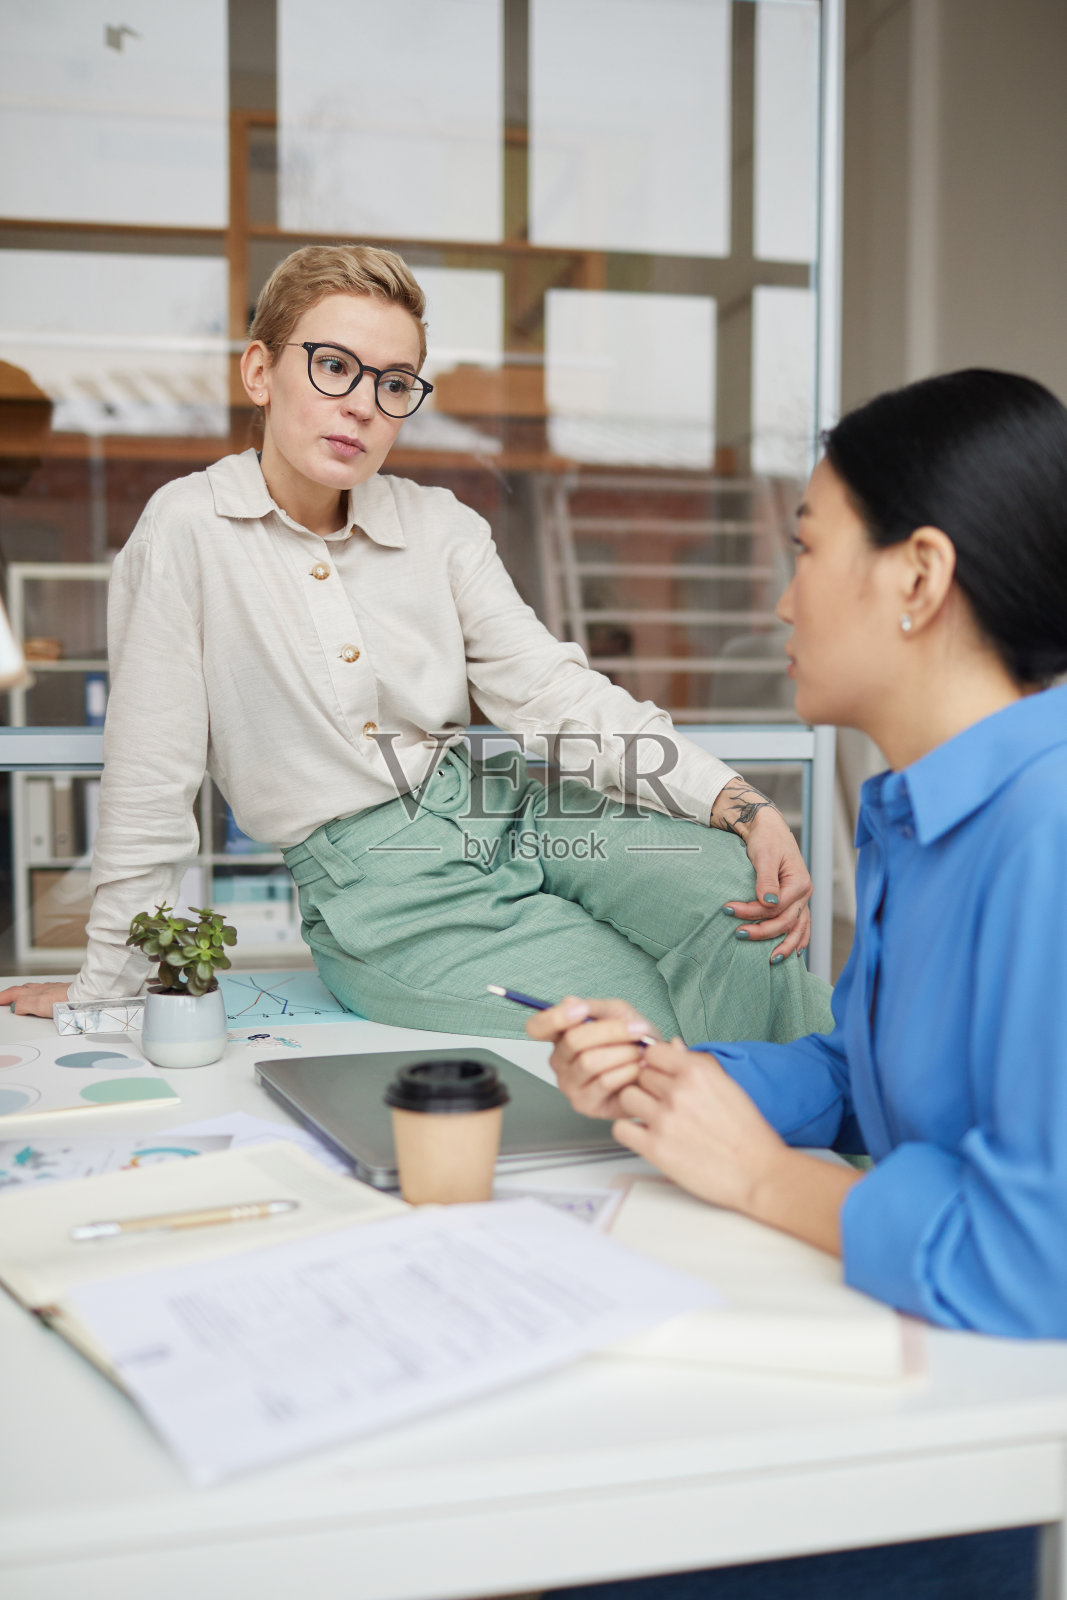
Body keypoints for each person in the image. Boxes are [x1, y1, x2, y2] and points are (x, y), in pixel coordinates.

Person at [0, 244, 831, 1044]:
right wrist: (108, 987)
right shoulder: (187, 529)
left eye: (393, 383)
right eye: (333, 366)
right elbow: (150, 782)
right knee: (643, 1015)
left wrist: (740, 803)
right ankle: (797, 1120)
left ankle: (836, 1125)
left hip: (514, 810)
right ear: (259, 372)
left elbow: (553, 694)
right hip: (380, 894)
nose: (362, 404)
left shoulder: (440, 526)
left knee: (736, 894)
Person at [529, 366, 1067, 1600]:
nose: (779, 599)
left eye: (807, 548)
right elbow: (862, 1073)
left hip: (934, 1470)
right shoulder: (928, 806)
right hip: (885, 1380)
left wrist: (763, 1178)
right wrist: (669, 1076)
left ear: (917, 577)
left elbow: (1035, 1253)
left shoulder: (1043, 828)